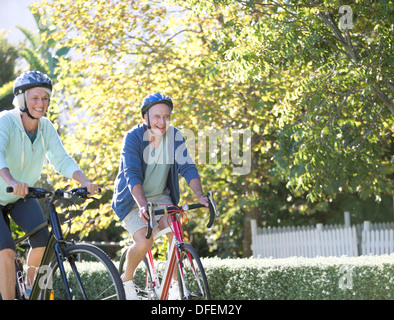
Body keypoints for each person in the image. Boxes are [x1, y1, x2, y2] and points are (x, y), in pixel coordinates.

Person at [0, 71, 99, 300]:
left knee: (44, 243)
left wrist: (84, 181)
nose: (41, 103)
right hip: (10, 187)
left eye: (45, 98)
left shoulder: (45, 127)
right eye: (35, 98)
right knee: (5, 251)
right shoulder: (6, 122)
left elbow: (61, 159)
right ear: (22, 99)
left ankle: (29, 287)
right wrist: (12, 181)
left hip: (21, 195)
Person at [112, 92, 208, 300]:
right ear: (145, 117)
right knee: (146, 241)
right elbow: (132, 174)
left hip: (161, 197)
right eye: (157, 116)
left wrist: (199, 194)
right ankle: (126, 281)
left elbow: (187, 167)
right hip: (133, 200)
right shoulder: (133, 137)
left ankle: (175, 287)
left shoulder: (175, 137)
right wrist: (143, 204)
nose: (162, 122)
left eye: (166, 116)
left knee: (175, 231)